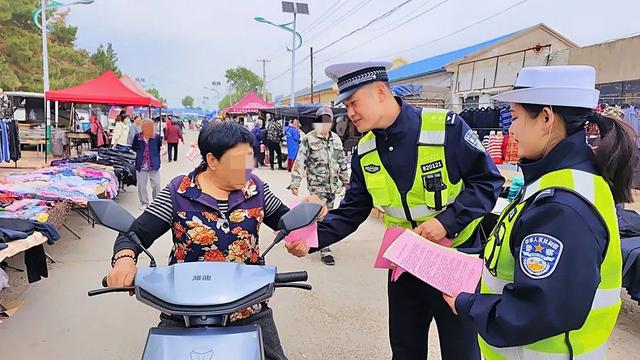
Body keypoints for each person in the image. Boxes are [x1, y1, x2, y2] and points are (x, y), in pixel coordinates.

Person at [286, 61, 504, 359]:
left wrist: (447, 222)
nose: (349, 113)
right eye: (345, 106)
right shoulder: (364, 151)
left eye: (353, 103)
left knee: (462, 352)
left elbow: (487, 182)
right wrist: (311, 240)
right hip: (405, 266)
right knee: (405, 350)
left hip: (454, 262)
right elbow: (352, 210)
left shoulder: (446, 128)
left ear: (380, 92)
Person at [438, 66, 636, 359]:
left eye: (516, 118)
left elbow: (539, 309)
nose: (511, 130)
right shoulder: (560, 180)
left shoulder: (562, 208)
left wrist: (466, 304)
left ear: (546, 118)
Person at [106, 121, 324, 360]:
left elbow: (287, 221)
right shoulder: (178, 191)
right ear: (212, 161)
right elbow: (135, 233)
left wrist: (305, 224)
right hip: (184, 311)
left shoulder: (256, 190)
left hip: (248, 307)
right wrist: (124, 260)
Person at [290, 108, 349, 266]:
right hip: (317, 188)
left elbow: (342, 161)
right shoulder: (309, 139)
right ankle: (324, 248)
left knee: (328, 214)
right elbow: (300, 161)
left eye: (327, 121)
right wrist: (295, 183)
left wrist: (346, 179)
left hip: (332, 187)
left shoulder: (336, 139)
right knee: (320, 215)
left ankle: (315, 238)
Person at [131, 119, 162, 209]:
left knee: (156, 184)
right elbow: (134, 147)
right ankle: (144, 203)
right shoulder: (137, 137)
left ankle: (156, 203)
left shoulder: (156, 137)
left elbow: (158, 148)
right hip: (141, 164)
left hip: (154, 164)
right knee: (141, 185)